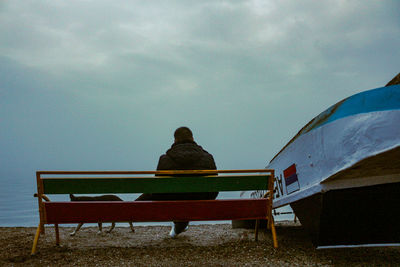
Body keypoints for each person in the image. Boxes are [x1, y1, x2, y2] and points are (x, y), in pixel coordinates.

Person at [136, 126, 218, 237]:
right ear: (192, 138)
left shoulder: (165, 159)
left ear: (175, 140)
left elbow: (157, 189)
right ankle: (180, 224)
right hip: (200, 199)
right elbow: (215, 189)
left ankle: (128, 209)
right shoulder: (208, 158)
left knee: (153, 193)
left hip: (172, 200)